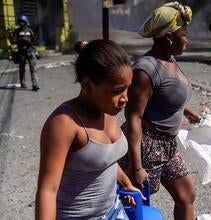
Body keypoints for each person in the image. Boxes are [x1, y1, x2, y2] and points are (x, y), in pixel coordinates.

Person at [35, 39, 140, 220]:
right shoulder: (64, 123)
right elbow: (47, 191)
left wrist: (124, 182)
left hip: (114, 210)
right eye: (118, 90)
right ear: (87, 85)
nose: (125, 98)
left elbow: (103, 158)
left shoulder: (107, 109)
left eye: (127, 88)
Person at [119, 2, 201, 220]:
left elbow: (165, 95)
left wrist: (184, 110)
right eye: (184, 35)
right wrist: (137, 167)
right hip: (146, 145)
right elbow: (133, 117)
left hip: (167, 145)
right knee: (138, 204)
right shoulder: (146, 69)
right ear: (169, 38)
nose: (187, 39)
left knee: (186, 194)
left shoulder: (169, 60)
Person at [11, 15, 40, 91]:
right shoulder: (16, 31)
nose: (21, 23)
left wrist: (29, 41)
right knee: (22, 68)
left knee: (33, 69)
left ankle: (35, 85)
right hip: (22, 52)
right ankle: (23, 83)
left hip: (30, 51)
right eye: (20, 21)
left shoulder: (30, 30)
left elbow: (34, 40)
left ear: (26, 22)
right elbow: (13, 41)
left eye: (23, 21)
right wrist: (20, 40)